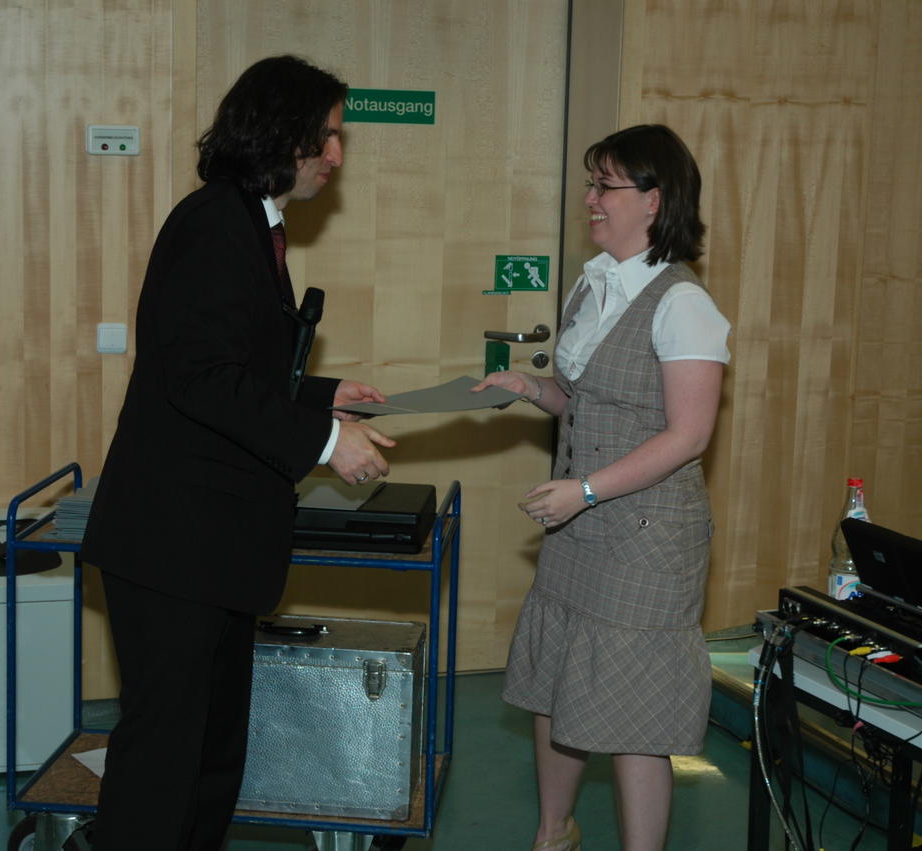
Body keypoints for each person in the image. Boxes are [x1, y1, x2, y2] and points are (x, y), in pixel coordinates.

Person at [80, 55, 396, 850]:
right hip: (172, 546)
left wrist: (321, 395)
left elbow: (234, 366)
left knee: (212, 758)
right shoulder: (216, 226)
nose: (337, 155)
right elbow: (200, 376)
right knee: (164, 763)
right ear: (282, 134)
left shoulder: (251, 225)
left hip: (210, 547)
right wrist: (327, 439)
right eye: (328, 136)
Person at [474, 124, 730, 851]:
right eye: (591, 184)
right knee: (559, 678)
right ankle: (553, 833)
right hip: (581, 526)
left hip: (646, 540)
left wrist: (584, 490)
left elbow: (688, 435)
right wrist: (532, 388)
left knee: (635, 708)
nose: (589, 199)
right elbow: (587, 403)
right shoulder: (594, 283)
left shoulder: (684, 304)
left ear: (654, 200)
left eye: (605, 186)